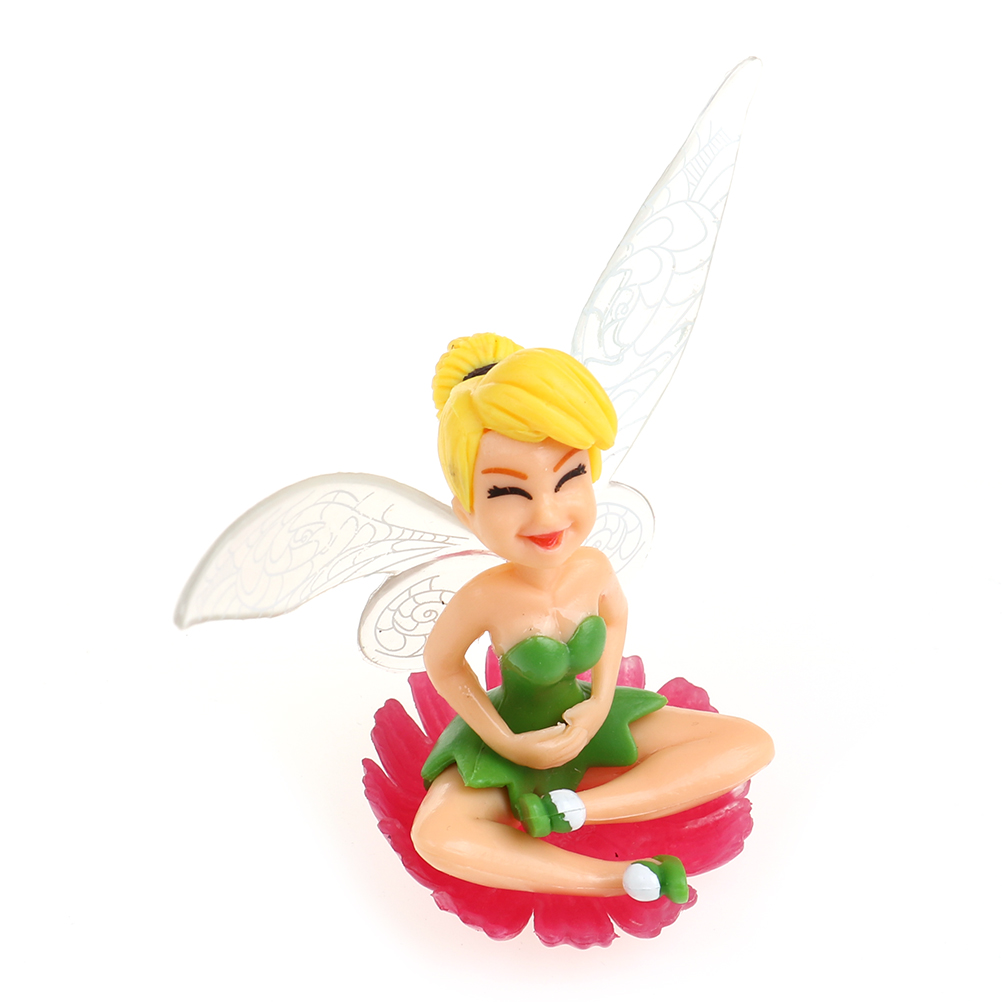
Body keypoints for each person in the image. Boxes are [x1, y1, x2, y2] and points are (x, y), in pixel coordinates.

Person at [411, 334, 774, 902]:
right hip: (511, 741)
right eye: (506, 491)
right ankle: (616, 880)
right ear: (467, 510)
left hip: (588, 719)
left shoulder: (594, 567)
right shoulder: (485, 596)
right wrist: (508, 742)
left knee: (748, 743)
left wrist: (599, 703)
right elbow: (443, 664)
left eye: (569, 476)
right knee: (436, 835)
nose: (547, 512)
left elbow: (617, 618)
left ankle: (580, 809)